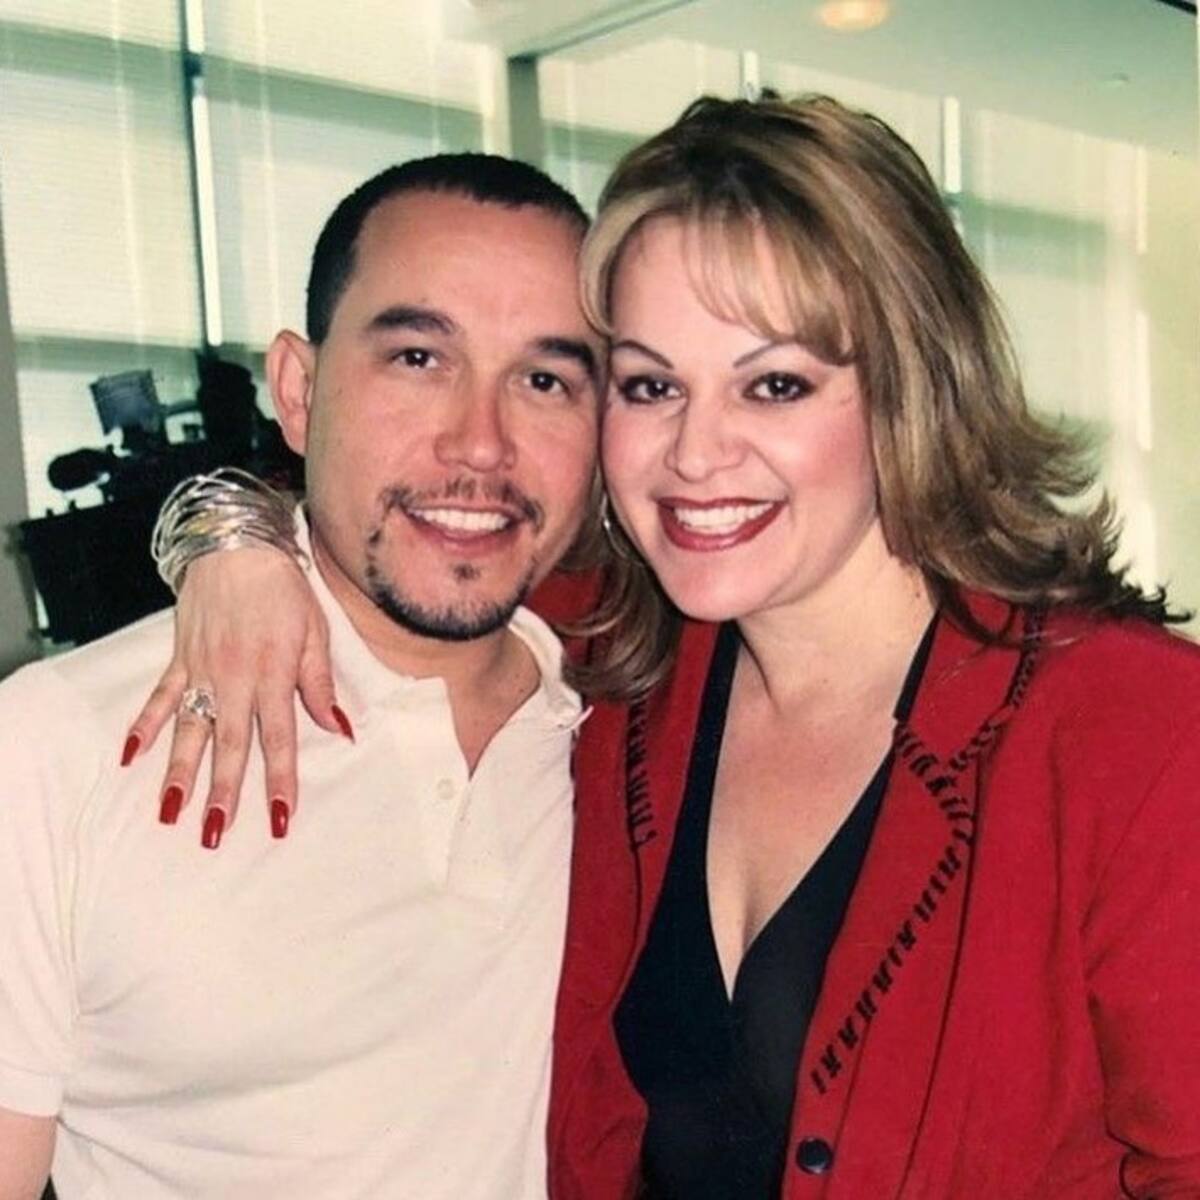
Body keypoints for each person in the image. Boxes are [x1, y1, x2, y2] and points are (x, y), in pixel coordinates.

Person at [130, 96, 1199, 1198]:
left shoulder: (1136, 733)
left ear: (911, 389)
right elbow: (408, 519)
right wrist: (227, 537)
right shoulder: (620, 657)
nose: (694, 453)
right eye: (651, 386)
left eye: (773, 384)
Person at [0, 153, 606, 1199]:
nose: (481, 444)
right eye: (418, 357)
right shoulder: (55, 749)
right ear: (298, 388)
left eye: (545, 380)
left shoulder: (633, 718)